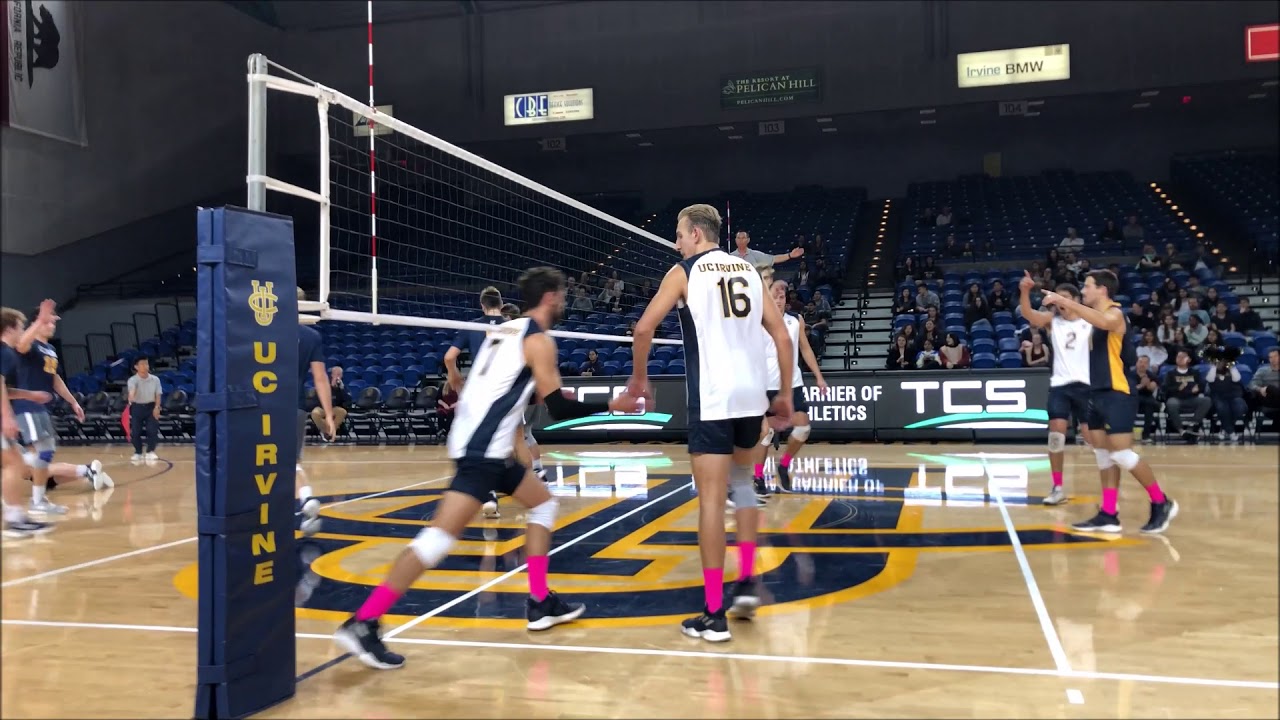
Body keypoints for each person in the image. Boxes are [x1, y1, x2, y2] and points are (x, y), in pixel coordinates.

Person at [334, 267, 639, 669]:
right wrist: (613, 406)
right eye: (563, 295)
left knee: (543, 504)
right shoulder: (538, 340)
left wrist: (544, 391)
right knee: (437, 539)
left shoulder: (503, 330)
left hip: (486, 445)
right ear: (550, 297)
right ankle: (364, 620)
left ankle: (540, 601)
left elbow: (510, 387)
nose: (564, 302)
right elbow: (559, 410)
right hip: (482, 450)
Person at [626, 204, 793, 643]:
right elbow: (780, 334)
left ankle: (714, 613)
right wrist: (784, 394)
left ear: (696, 234)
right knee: (743, 486)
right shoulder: (750, 272)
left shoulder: (684, 272)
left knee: (712, 503)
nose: (676, 242)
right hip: (751, 398)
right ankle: (747, 583)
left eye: (679, 234)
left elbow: (643, 330)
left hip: (713, 397)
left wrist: (639, 381)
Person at [1042, 270, 1177, 534]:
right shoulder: (1090, 319)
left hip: (1117, 392)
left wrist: (1065, 301)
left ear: (1102, 290)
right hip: (1095, 392)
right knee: (1103, 454)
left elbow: (1104, 321)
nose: (1083, 290)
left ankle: (1161, 502)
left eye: (1087, 286)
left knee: (1121, 454)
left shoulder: (1115, 314)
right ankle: (1108, 513)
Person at [12, 301, 110, 514]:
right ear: (38, 322)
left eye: (53, 320)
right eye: (48, 320)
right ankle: (41, 498)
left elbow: (54, 378)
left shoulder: (50, 349)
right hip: (26, 406)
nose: (53, 324)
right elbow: (20, 345)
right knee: (38, 457)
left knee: (42, 458)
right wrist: (40, 320)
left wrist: (73, 401)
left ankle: (45, 495)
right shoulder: (30, 344)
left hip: (40, 409)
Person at [1019, 277, 1093, 506]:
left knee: (1093, 438)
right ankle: (1057, 487)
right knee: (1056, 436)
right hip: (1060, 386)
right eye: (1057, 298)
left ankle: (1110, 487)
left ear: (1076, 300)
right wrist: (1025, 290)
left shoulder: (1090, 321)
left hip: (1086, 386)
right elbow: (1028, 314)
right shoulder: (1053, 321)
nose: (1060, 302)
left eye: (1065, 298)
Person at [755, 279, 827, 496]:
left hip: (792, 383)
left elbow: (805, 349)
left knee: (803, 427)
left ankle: (784, 465)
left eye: (781, 297)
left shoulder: (796, 320)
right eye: (774, 297)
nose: (778, 300)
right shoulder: (756, 321)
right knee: (765, 434)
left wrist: (819, 377)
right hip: (765, 385)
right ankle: (758, 476)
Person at [445, 287, 509, 514]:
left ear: (482, 306)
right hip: (506, 388)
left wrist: (454, 376)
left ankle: (489, 493)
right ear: (501, 304)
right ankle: (530, 485)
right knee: (511, 440)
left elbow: (449, 357)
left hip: (479, 388)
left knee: (481, 441)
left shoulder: (472, 326)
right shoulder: (512, 327)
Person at [1, 307, 53, 537]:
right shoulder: (5, 352)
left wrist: (30, 395)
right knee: (14, 464)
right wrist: (7, 417)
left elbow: (6, 390)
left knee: (16, 464)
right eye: (21, 327)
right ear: (10, 329)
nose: (22, 332)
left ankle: (16, 516)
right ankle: (14, 520)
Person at [297, 289, 336, 536]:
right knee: (292, 463)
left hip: (266, 405)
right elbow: (320, 379)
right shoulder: (311, 336)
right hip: (295, 406)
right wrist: (329, 415)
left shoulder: (264, 332)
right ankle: (306, 498)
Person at [1161, 350, 1212, 443]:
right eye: (1178, 357)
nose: (1180, 359)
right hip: (1176, 399)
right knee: (1171, 403)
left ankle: (1192, 426)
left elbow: (1202, 386)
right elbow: (1165, 389)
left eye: (1183, 357)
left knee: (1206, 400)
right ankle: (1181, 431)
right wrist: (1178, 388)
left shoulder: (1194, 372)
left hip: (1192, 399)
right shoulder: (1170, 374)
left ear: (1189, 359)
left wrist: (1198, 389)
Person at [126, 356, 163, 461]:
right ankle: (138, 452)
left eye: (146, 363)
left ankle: (150, 451)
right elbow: (132, 391)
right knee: (136, 431)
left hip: (151, 406)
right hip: (137, 407)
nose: (145, 366)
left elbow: (158, 394)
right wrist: (131, 396)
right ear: (136, 367)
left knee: (152, 430)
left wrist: (157, 407)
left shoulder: (155, 379)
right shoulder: (133, 380)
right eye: (142, 364)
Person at [1131, 356, 1161, 442]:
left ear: (1148, 365)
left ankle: (1146, 435)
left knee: (1150, 404)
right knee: (1130, 403)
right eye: (1140, 362)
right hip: (1133, 397)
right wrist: (1141, 385)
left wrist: (1147, 384)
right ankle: (1129, 433)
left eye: (1145, 363)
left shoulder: (1152, 375)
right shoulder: (1130, 374)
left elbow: (1152, 388)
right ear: (1136, 363)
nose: (1142, 364)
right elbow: (1129, 390)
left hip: (1147, 398)